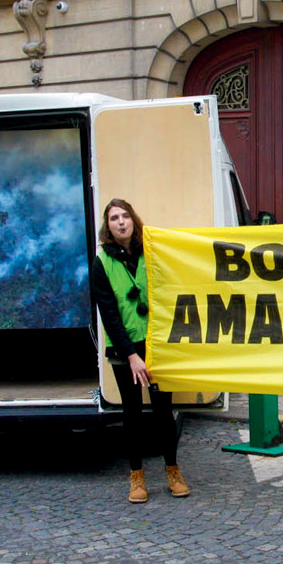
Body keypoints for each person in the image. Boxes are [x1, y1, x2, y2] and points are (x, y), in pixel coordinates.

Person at [90, 198, 185, 504]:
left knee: (162, 411)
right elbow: (109, 314)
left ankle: (173, 471)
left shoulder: (152, 251)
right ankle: (137, 477)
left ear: (133, 220)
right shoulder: (102, 262)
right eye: (114, 218)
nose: (121, 222)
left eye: (125, 216)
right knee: (131, 413)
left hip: (155, 344)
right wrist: (131, 355)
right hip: (123, 348)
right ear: (109, 226)